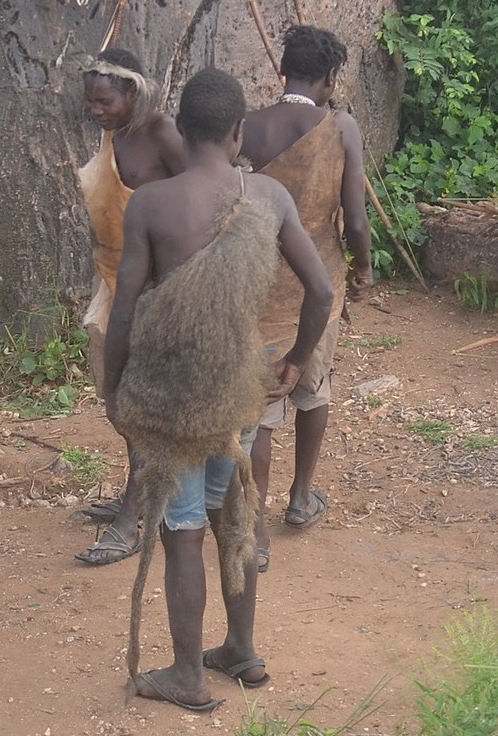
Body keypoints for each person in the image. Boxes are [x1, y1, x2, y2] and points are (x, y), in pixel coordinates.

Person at [105, 68, 333, 710]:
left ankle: (187, 674)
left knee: (181, 532)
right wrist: (294, 361)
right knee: (233, 516)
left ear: (181, 128)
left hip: (174, 394)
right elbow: (320, 291)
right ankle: (240, 649)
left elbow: (124, 310)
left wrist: (113, 386)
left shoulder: (151, 203)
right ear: (238, 132)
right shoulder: (269, 196)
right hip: (241, 389)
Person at [240, 25, 374, 572]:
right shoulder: (340, 127)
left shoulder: (246, 127)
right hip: (319, 280)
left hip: (258, 282)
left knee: (263, 411)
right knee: (313, 389)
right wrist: (363, 271)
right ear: (329, 78)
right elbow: (356, 218)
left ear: (282, 72)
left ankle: (256, 532)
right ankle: (301, 499)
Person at [75, 48, 186, 566]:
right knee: (117, 395)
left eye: (105, 102)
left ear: (133, 95)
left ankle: (132, 517)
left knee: (138, 401)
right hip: (115, 279)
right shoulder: (115, 134)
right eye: (91, 102)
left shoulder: (162, 133)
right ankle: (135, 494)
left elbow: (200, 192)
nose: (95, 110)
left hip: (154, 287)